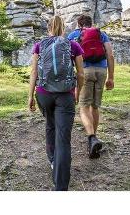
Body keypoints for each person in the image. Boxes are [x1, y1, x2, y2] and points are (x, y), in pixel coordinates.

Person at [28, 15, 84, 191]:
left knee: (51, 124)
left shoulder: (39, 45)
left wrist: (30, 96)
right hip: (65, 95)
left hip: (43, 94)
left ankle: (52, 160)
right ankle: (60, 187)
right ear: (63, 28)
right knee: (63, 138)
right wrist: (77, 92)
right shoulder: (73, 45)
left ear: (48, 28)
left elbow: (34, 72)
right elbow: (81, 74)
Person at [67, 15, 115, 159]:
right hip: (101, 71)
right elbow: (110, 55)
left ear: (78, 24)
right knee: (95, 106)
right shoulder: (101, 34)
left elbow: (68, 57)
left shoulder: (74, 35)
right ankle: (93, 141)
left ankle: (92, 137)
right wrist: (111, 77)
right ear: (91, 24)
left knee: (83, 106)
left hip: (85, 72)